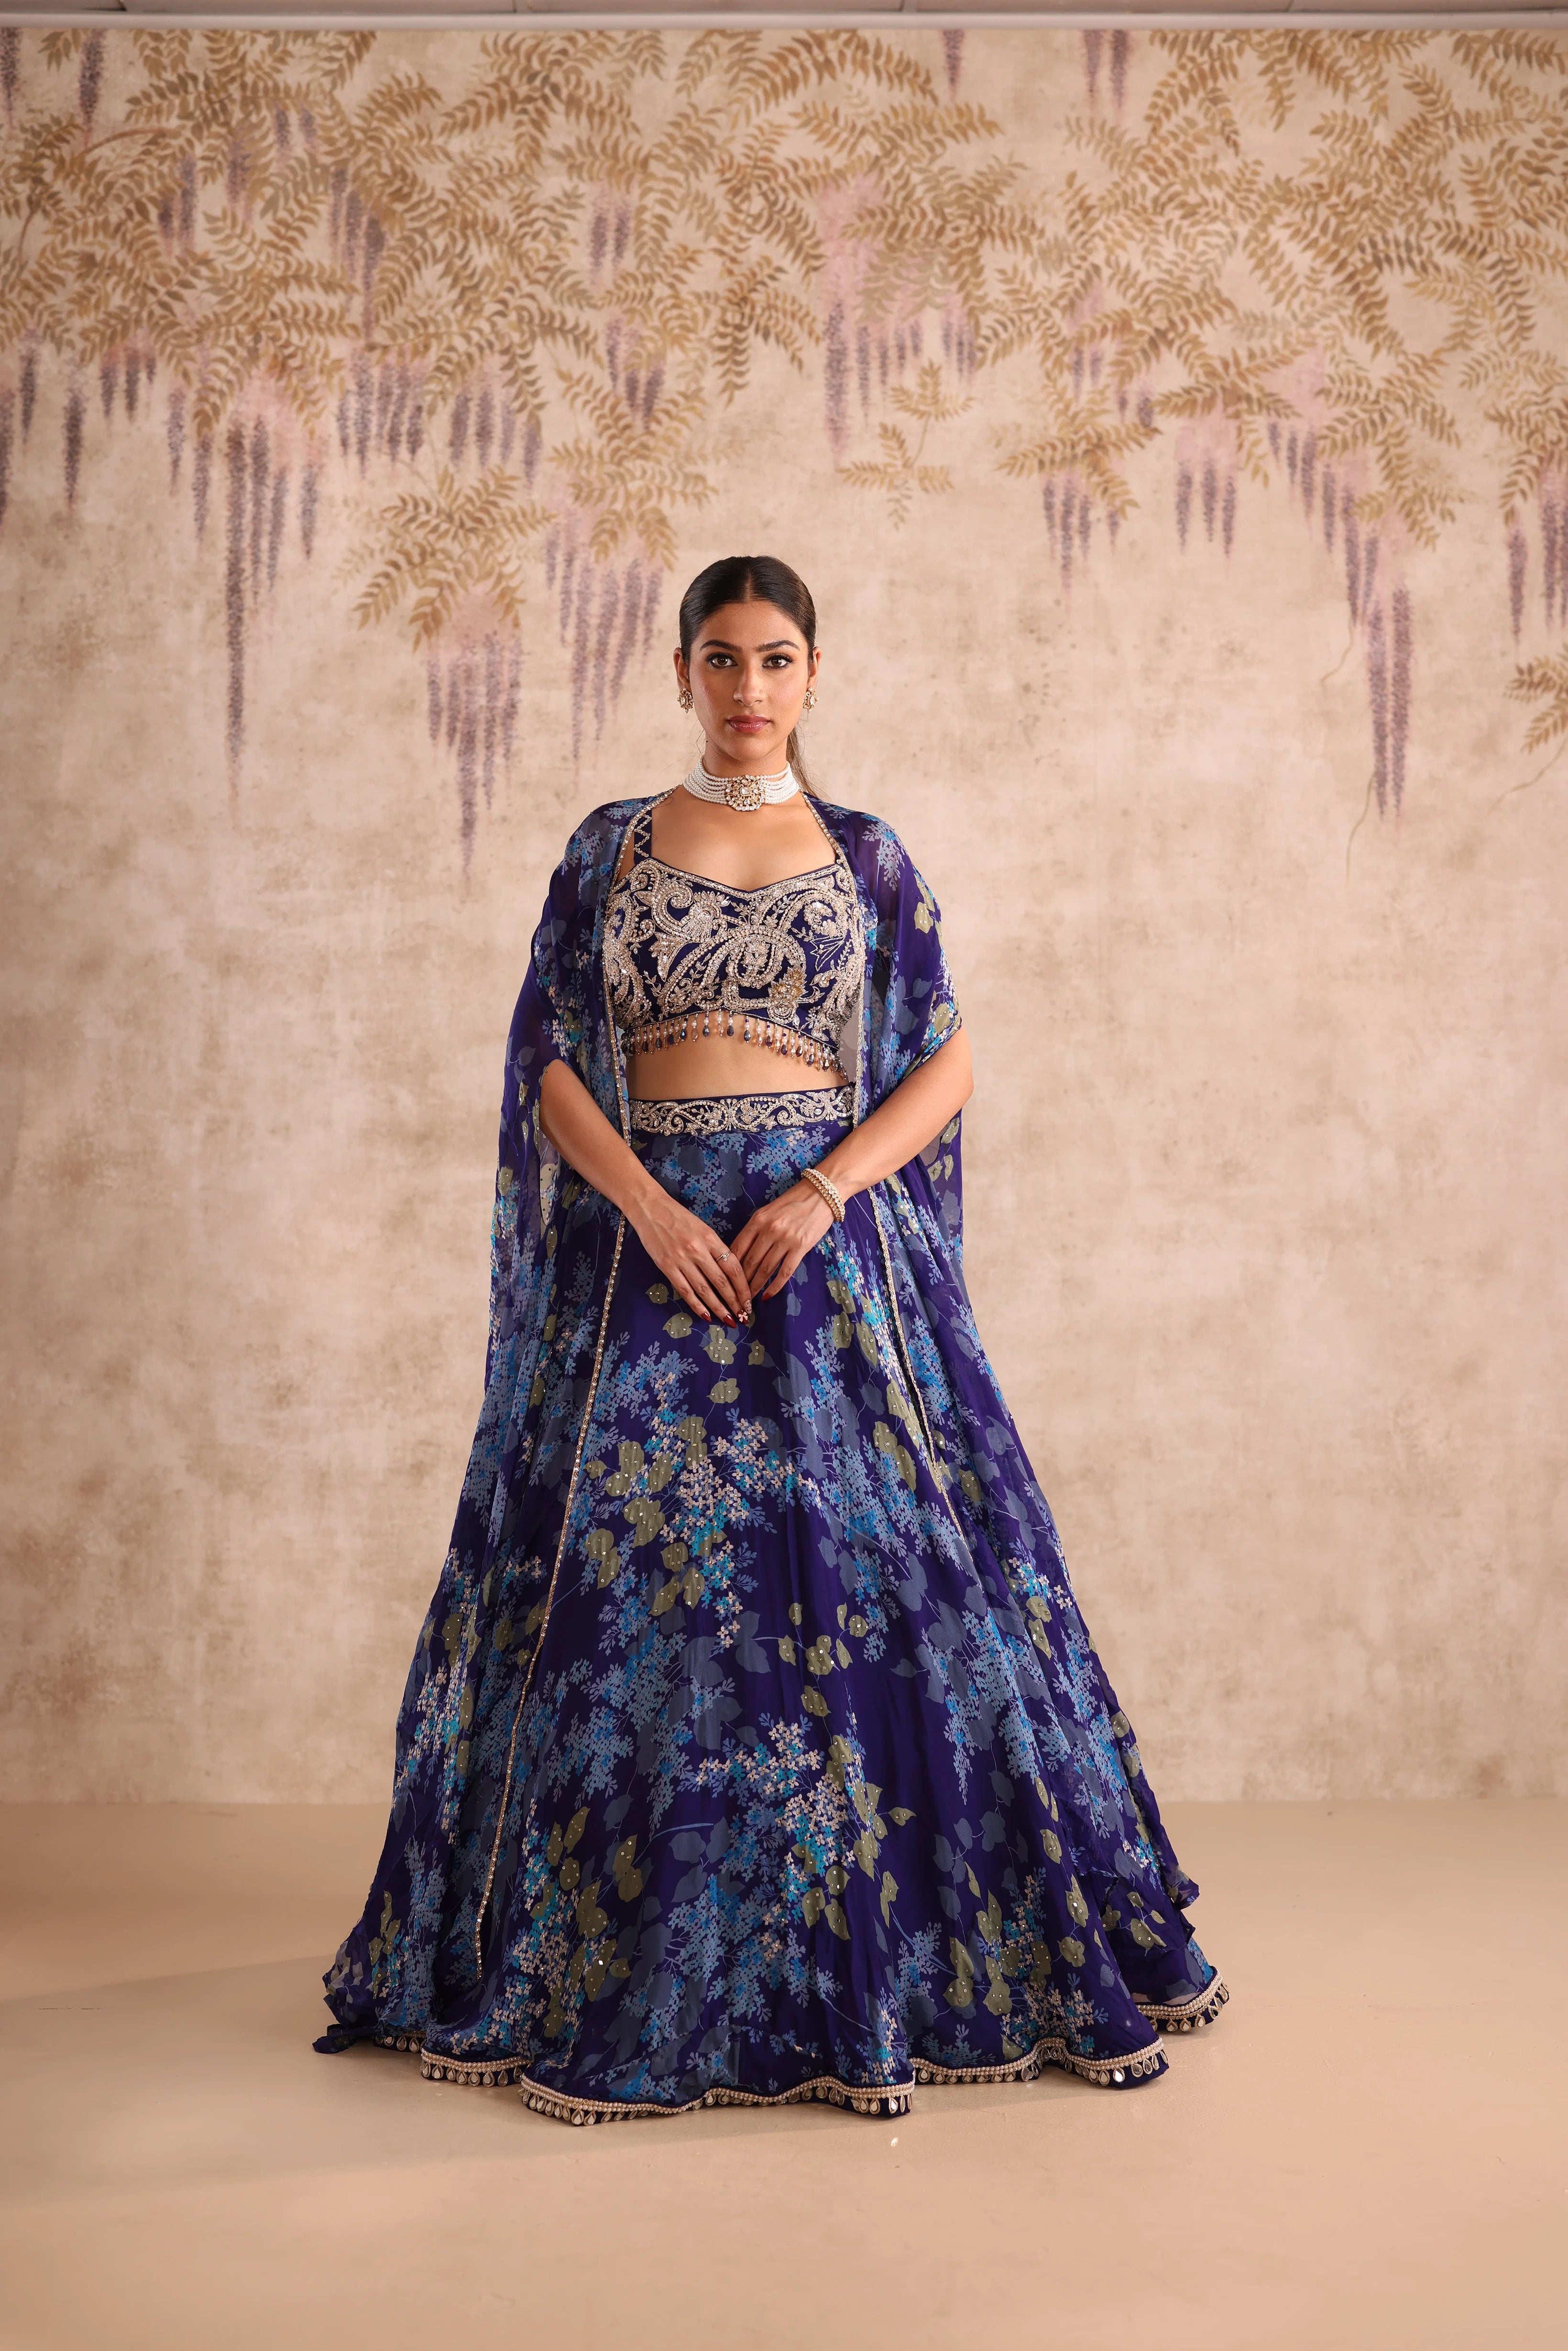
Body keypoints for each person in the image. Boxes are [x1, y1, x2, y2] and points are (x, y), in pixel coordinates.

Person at [315, 553, 1226, 2124]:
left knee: (881, 1595)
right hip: (645, 1265)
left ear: (817, 675)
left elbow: (941, 1064)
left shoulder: (869, 859)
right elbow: (545, 1054)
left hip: (821, 1261)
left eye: (778, 659)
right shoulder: (607, 849)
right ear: (682, 671)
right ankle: (631, 1955)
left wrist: (820, 1189)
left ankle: (870, 1956)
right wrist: (648, 1210)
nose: (749, 689)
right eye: (723, 658)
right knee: (636, 1608)